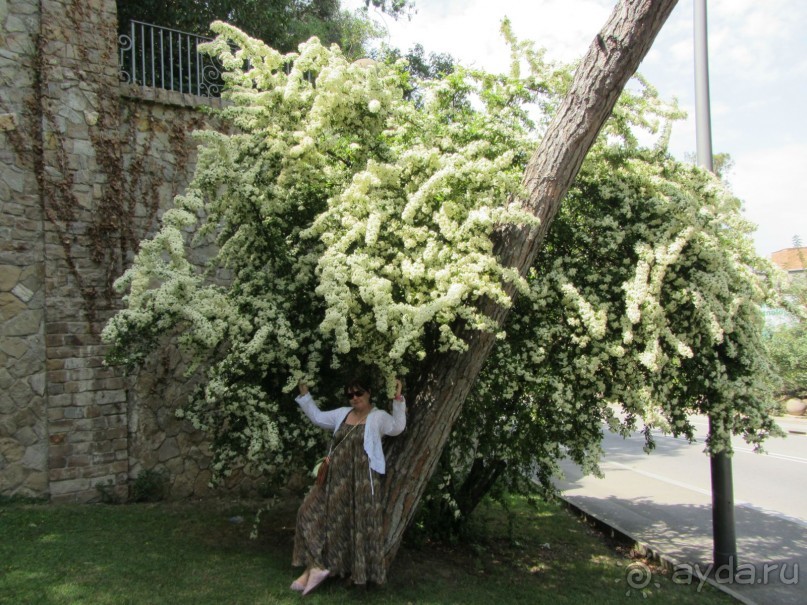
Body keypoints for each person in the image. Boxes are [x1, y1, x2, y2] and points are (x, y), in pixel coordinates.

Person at [290, 376, 406, 595]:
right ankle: (315, 566)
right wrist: (304, 393)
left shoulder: (378, 416)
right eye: (350, 394)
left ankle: (348, 573)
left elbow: (398, 427)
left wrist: (398, 398)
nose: (354, 398)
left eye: (358, 393)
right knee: (308, 512)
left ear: (369, 392)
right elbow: (317, 417)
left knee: (355, 524)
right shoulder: (342, 414)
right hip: (335, 477)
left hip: (362, 479)